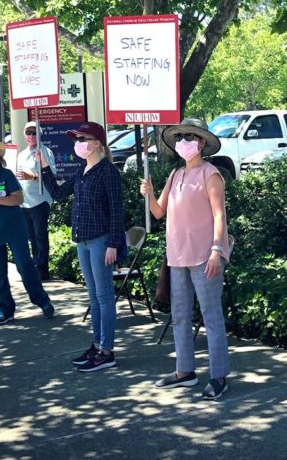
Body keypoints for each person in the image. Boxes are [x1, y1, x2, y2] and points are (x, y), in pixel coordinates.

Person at [140, 118, 231, 399]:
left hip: (205, 255)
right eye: (180, 138)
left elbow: (219, 214)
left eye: (189, 137)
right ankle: (184, 371)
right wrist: (149, 194)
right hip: (177, 255)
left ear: (201, 143)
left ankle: (219, 376)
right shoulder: (175, 175)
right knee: (179, 316)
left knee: (211, 316)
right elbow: (158, 212)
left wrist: (218, 249)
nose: (183, 142)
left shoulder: (211, 174)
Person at [36, 121, 125, 373]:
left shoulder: (107, 171)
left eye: (83, 138)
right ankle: (97, 345)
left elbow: (117, 210)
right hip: (83, 241)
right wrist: (44, 167)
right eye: (77, 139)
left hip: (100, 240)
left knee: (105, 296)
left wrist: (113, 244)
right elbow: (57, 192)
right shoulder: (82, 169)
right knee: (94, 297)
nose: (78, 144)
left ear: (97, 143)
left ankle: (106, 351)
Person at [0, 138, 54, 325]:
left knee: (25, 266)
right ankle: (5, 309)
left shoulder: (6, 175)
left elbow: (18, 199)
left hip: (14, 228)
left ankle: (42, 300)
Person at [16, 121, 56, 282]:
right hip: (24, 201)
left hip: (40, 200)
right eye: (29, 132)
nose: (31, 136)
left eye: (34, 132)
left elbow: (51, 175)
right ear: (24, 135)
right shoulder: (20, 154)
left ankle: (42, 269)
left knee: (40, 235)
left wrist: (31, 176)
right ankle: (35, 265)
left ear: (40, 134)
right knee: (31, 235)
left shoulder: (44, 152)